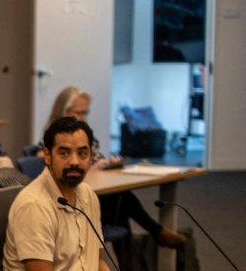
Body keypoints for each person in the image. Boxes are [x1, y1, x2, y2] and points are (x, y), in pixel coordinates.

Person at [46, 86, 185, 249]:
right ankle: (154, 234)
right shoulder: (50, 142)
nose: (81, 117)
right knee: (122, 201)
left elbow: (96, 161)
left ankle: (138, 259)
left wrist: (107, 164)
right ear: (62, 111)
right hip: (71, 203)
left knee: (120, 202)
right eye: (76, 112)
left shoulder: (86, 137)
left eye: (85, 113)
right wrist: (88, 170)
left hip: (95, 196)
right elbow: (57, 176)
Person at [3, 116, 117, 271]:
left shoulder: (88, 195)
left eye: (82, 153)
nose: (75, 162)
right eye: (64, 153)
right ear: (47, 156)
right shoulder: (34, 204)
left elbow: (96, 260)